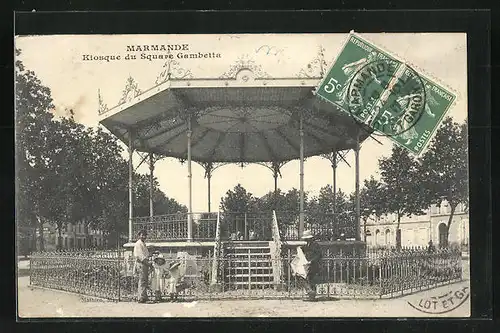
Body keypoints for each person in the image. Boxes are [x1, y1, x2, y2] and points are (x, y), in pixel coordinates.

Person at [299, 230, 322, 301]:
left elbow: (319, 255)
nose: (305, 239)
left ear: (310, 238)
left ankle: (311, 294)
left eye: (307, 238)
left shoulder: (315, 245)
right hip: (308, 264)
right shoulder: (307, 244)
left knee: (311, 280)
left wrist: (311, 261)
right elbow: (304, 250)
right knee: (304, 277)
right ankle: (311, 294)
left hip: (314, 265)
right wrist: (299, 249)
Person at [133, 230, 150, 303]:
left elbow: (145, 254)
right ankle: (141, 298)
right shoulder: (138, 244)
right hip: (141, 263)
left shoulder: (143, 243)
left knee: (144, 280)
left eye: (145, 235)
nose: (144, 237)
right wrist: (148, 263)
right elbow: (140, 256)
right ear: (139, 235)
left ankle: (144, 296)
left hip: (144, 263)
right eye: (142, 235)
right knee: (142, 280)